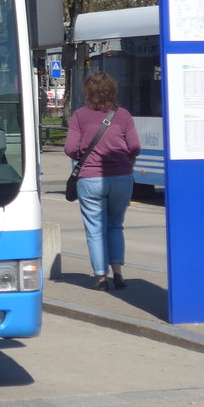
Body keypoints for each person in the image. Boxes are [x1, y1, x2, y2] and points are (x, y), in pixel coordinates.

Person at [64, 71, 141, 291]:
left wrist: (82, 152)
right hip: (121, 177)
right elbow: (135, 146)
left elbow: (70, 148)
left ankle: (100, 277)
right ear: (112, 90)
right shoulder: (123, 115)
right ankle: (118, 273)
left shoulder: (80, 115)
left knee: (95, 229)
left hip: (90, 179)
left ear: (88, 92)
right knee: (116, 225)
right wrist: (122, 153)